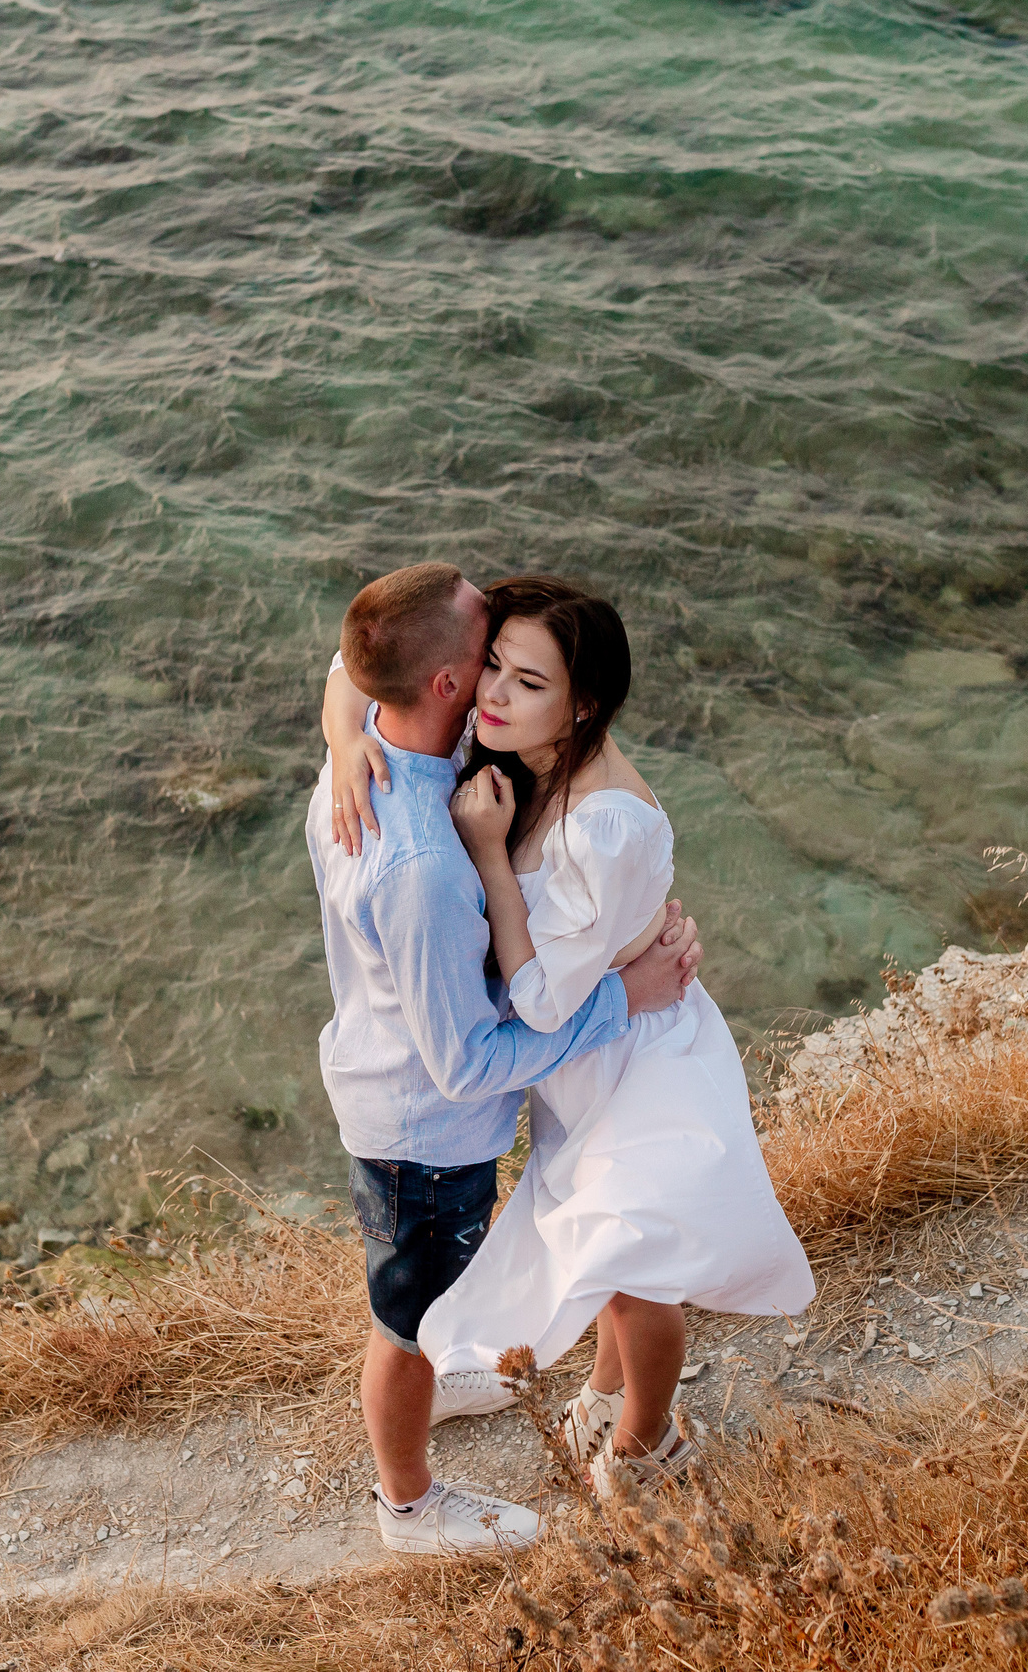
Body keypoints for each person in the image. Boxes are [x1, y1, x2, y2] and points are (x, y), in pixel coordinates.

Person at [325, 576, 813, 1499]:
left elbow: (545, 1002)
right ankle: (600, 1387)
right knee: (596, 1254)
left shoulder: (607, 823)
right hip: (584, 1059)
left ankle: (647, 1439)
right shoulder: (514, 745)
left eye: (527, 682)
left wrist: (486, 860)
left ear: (581, 703)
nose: (494, 696)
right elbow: (355, 670)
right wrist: (348, 743)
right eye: (491, 669)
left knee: (630, 1276)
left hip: (633, 1061)